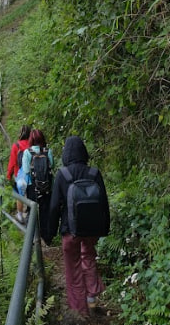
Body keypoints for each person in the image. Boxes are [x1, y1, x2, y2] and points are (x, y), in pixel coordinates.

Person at [48, 135, 110, 318]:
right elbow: (104, 203)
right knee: (89, 259)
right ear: (84, 152)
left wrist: (50, 232)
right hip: (91, 230)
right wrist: (104, 228)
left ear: (66, 154)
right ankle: (92, 300)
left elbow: (53, 207)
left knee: (73, 268)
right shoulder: (94, 173)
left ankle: (79, 310)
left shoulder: (62, 175)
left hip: (70, 231)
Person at [18, 128, 54, 242]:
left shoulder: (27, 152)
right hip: (47, 186)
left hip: (32, 186)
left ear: (31, 139)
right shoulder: (48, 151)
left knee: (31, 210)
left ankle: (33, 237)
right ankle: (47, 237)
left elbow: (26, 170)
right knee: (45, 211)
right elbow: (51, 165)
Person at [6, 124, 30, 224]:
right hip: (30, 174)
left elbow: (12, 163)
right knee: (30, 194)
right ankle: (30, 214)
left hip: (19, 174)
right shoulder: (31, 145)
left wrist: (8, 176)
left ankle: (20, 215)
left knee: (20, 195)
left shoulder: (16, 146)